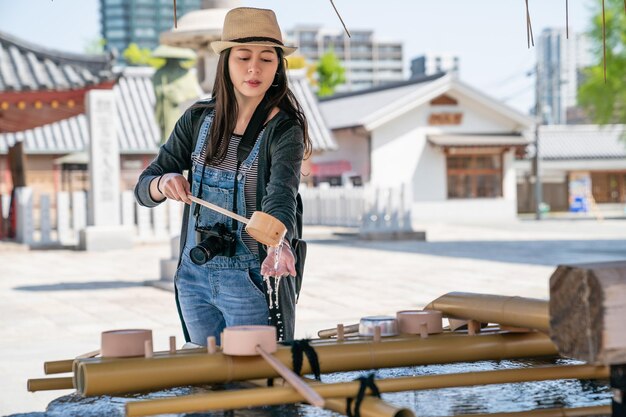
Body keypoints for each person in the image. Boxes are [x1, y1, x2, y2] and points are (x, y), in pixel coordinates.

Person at [134, 7, 311, 344]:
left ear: (278, 66)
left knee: (256, 386)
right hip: (193, 276)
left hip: (251, 280)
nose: (254, 68)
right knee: (206, 381)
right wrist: (162, 183)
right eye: (243, 57)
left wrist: (278, 243)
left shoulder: (284, 128)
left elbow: (281, 194)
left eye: (267, 59)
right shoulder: (198, 119)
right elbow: (145, 185)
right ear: (226, 61)